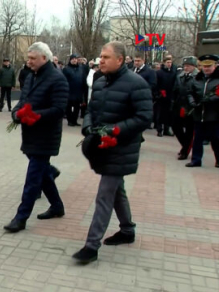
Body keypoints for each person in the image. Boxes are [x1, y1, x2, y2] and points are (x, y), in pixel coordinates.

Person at [73, 41, 152, 263]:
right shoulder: (99, 82)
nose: (101, 61)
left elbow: (144, 117)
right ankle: (127, 230)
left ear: (120, 59)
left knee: (105, 194)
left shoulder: (137, 84)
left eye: (106, 57)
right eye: (100, 57)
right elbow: (90, 110)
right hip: (102, 146)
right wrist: (88, 126)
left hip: (122, 148)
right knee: (117, 191)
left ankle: (91, 246)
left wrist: (116, 130)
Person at [3, 42, 68, 233]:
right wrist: (17, 114)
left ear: (44, 58)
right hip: (30, 133)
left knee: (33, 178)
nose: (28, 61)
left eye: (32, 58)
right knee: (42, 173)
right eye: (28, 58)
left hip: (46, 135)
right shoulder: (31, 76)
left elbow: (58, 109)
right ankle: (57, 206)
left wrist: (36, 116)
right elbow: (23, 101)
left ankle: (21, 217)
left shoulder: (58, 79)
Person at [185, 54, 219, 168]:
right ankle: (196, 160)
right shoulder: (197, 79)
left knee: (216, 139)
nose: (206, 68)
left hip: (214, 115)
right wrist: (192, 102)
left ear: (215, 66)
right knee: (197, 139)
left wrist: (210, 99)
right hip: (199, 114)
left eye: (209, 66)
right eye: (204, 66)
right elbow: (190, 92)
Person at [172, 56, 198, 160]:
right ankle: (185, 145)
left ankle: (185, 151)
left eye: (188, 66)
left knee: (189, 131)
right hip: (179, 105)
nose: (186, 68)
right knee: (175, 127)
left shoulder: (198, 76)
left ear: (194, 66)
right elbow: (175, 89)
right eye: (185, 66)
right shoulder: (180, 75)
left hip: (191, 107)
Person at [155, 56, 177, 137]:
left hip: (169, 96)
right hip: (161, 96)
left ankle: (166, 129)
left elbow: (175, 84)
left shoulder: (173, 73)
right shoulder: (159, 73)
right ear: (164, 63)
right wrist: (158, 93)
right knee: (160, 114)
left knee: (168, 114)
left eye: (170, 63)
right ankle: (159, 130)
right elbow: (156, 84)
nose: (169, 64)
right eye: (168, 62)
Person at [63, 54, 87, 126]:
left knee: (77, 107)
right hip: (69, 91)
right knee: (69, 107)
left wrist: (84, 88)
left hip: (78, 91)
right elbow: (64, 80)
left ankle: (74, 120)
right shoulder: (66, 69)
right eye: (73, 59)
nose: (74, 60)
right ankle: (70, 120)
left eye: (75, 59)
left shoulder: (80, 68)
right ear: (70, 60)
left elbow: (83, 78)